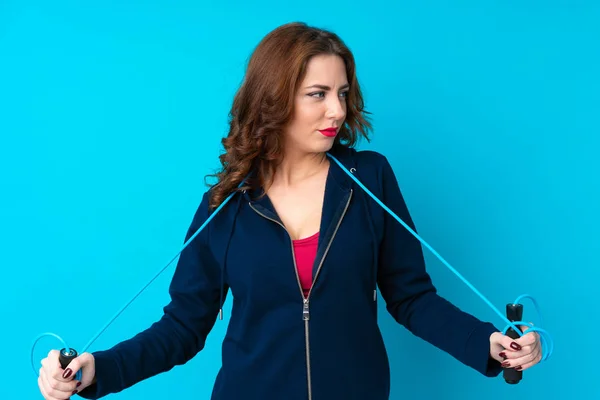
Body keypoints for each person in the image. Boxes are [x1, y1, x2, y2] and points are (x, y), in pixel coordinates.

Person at [37, 22, 542, 400]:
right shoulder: (225, 206)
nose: (338, 111)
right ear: (275, 101)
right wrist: (94, 370)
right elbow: (182, 328)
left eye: (342, 94)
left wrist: (490, 343)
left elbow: (412, 297)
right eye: (318, 95)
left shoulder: (370, 179)